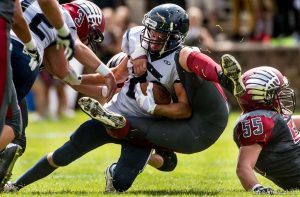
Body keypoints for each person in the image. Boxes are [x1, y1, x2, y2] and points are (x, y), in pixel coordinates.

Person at [3, 3, 245, 193]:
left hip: (141, 124)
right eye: (150, 31)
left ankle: (140, 144)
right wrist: (72, 80)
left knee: (123, 181)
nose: (150, 37)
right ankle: (16, 185)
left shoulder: (173, 63)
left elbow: (182, 108)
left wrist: (153, 106)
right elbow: (116, 67)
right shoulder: (134, 49)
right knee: (66, 151)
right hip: (120, 114)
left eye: (158, 34)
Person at [0, 0, 117, 189]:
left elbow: (65, 75)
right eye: (91, 34)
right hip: (21, 59)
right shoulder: (64, 18)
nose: (89, 39)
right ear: (83, 19)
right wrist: (105, 72)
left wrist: (100, 85)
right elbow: (64, 68)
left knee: (14, 123)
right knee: (14, 129)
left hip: (6, 43)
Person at [232, 66, 300, 194]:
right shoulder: (260, 120)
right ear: (263, 96)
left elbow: (290, 123)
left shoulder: (270, 117)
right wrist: (257, 188)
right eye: (277, 92)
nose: (281, 94)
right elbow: (243, 167)